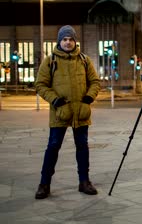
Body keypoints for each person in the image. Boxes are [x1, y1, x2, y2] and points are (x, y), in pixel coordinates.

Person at [34, 25, 101, 199]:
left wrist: (88, 98)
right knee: (53, 146)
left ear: (75, 41)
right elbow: (40, 85)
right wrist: (55, 100)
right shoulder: (50, 61)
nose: (68, 42)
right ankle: (44, 184)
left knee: (82, 147)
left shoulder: (84, 60)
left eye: (71, 39)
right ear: (59, 41)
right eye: (64, 39)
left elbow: (95, 82)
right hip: (60, 113)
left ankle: (84, 181)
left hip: (81, 112)